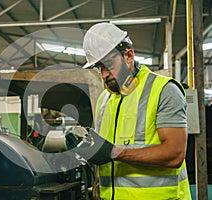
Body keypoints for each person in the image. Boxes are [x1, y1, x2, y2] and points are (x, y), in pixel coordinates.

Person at [73, 22, 191, 199]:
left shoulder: (164, 90)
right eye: (99, 67)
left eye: (108, 64)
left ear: (128, 55)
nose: (104, 74)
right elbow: (104, 155)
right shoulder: (104, 100)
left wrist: (115, 152)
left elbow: (175, 154)